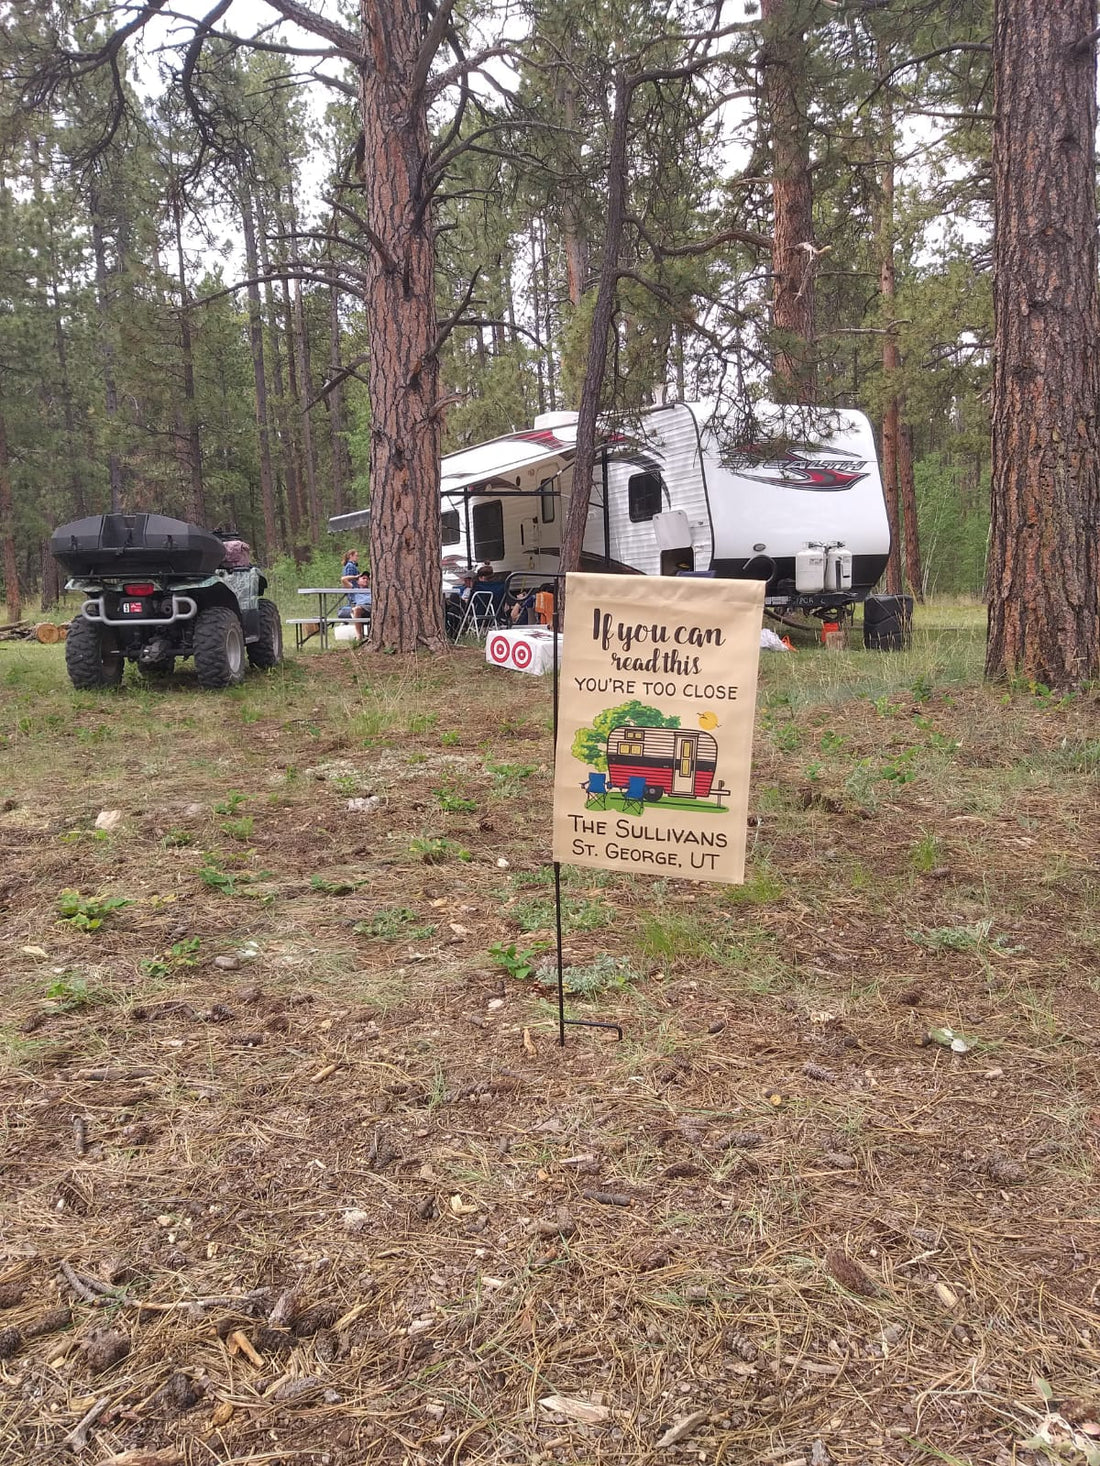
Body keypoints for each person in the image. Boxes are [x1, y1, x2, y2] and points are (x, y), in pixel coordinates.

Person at [337, 571, 372, 641]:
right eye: (363, 578)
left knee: (356, 610)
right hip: (361, 608)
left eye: (367, 579)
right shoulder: (355, 590)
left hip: (373, 607)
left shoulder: (373, 589)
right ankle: (359, 635)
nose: (366, 580)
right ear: (358, 581)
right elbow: (343, 579)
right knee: (356, 609)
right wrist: (356, 577)